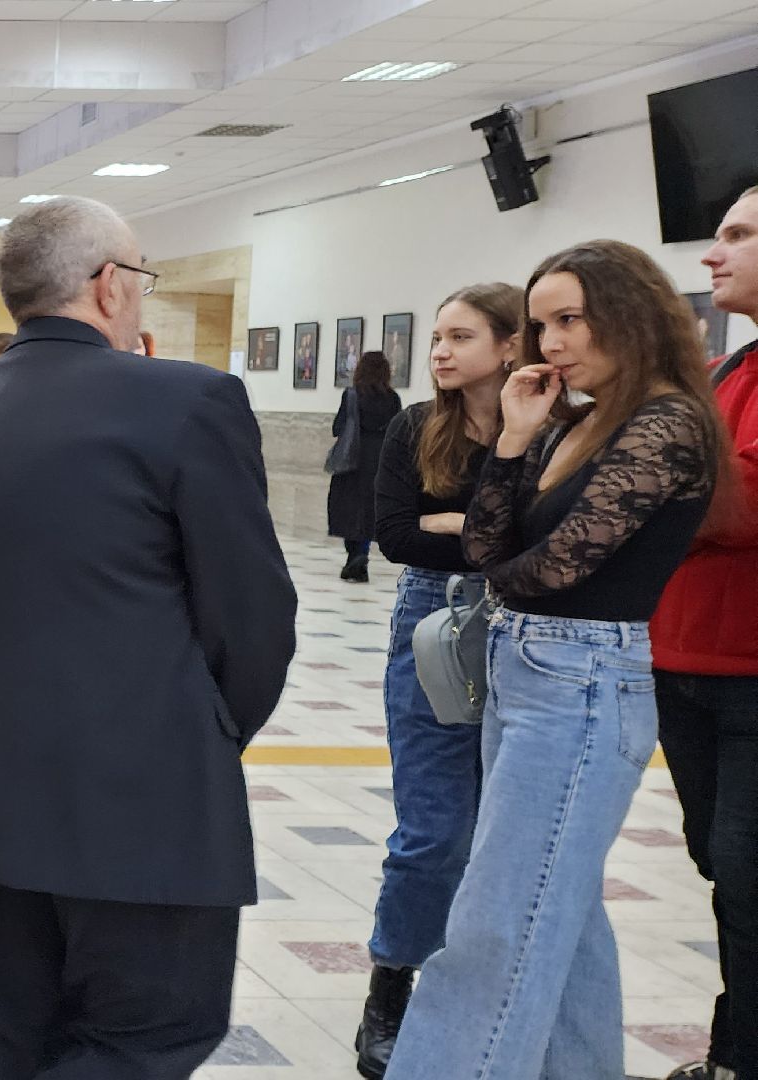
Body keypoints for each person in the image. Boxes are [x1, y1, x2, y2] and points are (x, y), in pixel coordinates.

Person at [0, 195, 297, 1077]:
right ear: (109, 285)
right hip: (143, 804)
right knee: (148, 1037)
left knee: (12, 1039)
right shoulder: (189, 400)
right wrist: (195, 735)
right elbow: (253, 620)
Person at [387, 240, 732, 1078]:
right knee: (561, 915)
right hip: (527, 668)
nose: (549, 343)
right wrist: (510, 438)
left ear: (629, 314)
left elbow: (545, 568)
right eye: (540, 324)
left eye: (569, 320)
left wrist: (498, 565)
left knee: (497, 919)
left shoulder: (669, 422)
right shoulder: (578, 422)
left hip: (580, 677)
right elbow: (480, 537)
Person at [353, 283, 519, 1077]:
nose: (441, 352)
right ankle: (390, 983)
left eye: (460, 336)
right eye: (436, 338)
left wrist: (457, 524)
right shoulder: (416, 426)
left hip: (530, 626)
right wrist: (489, 533)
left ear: (508, 345)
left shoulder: (555, 430)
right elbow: (393, 537)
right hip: (434, 624)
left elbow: (546, 540)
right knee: (433, 826)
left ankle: (484, 987)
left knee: (503, 827)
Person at [655, 185, 758, 1080]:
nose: (712, 253)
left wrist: (650, 492)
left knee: (748, 873)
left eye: (737, 235)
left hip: (750, 674)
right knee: (721, 870)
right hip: (684, 663)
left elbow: (734, 507)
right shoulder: (730, 371)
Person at [331, 350, 405, 582]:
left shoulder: (352, 395)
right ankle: (361, 555)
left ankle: (354, 556)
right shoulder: (392, 397)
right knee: (369, 510)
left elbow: (338, 427)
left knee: (348, 510)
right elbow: (397, 429)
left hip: (353, 459)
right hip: (380, 459)